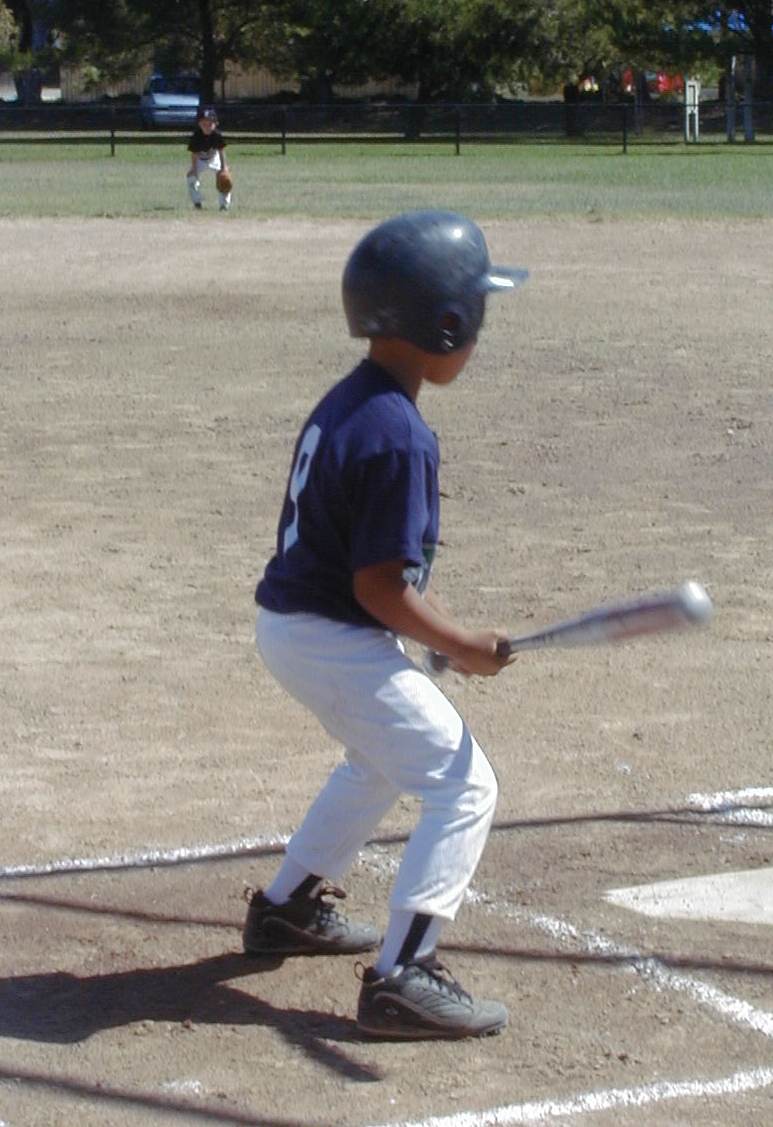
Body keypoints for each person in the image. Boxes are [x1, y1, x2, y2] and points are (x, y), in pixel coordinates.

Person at [243, 210, 528, 1039]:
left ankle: (288, 907)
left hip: (300, 628)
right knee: (464, 783)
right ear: (448, 324)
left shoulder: (357, 400)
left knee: (380, 758)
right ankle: (404, 975)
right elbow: (377, 589)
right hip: (330, 633)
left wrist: (439, 639)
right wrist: (459, 643)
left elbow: (375, 581)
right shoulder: (399, 435)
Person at [186, 105, 231, 210]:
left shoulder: (217, 135)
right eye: (204, 123)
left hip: (214, 158)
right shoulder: (196, 136)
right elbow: (194, 154)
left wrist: (224, 168)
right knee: (191, 179)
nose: (207, 126)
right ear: (199, 124)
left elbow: (221, 151)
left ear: (215, 124)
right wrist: (195, 171)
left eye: (210, 123)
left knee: (224, 179)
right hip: (199, 160)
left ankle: (224, 205)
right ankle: (197, 203)